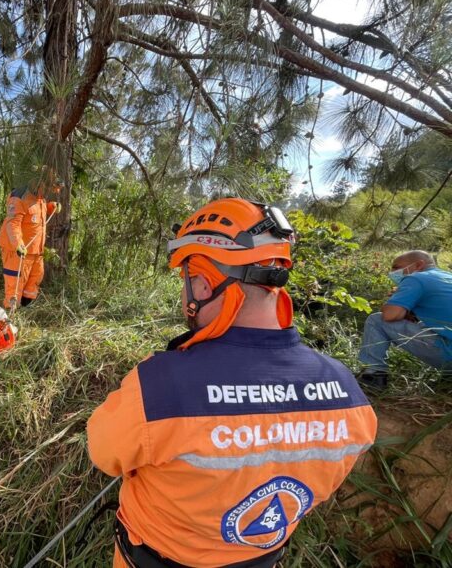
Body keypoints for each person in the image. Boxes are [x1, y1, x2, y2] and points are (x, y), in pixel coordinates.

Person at [87, 198, 377, 568]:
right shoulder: (346, 388)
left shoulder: (161, 385)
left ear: (205, 285)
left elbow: (103, 453)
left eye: (186, 282)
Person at [357, 250, 452, 389]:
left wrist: (394, 300)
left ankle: (373, 375)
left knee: (376, 320)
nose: (392, 272)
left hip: (448, 354)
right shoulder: (446, 277)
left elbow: (390, 315)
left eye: (396, 267)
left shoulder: (416, 278)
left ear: (419, 265)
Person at [0, 166, 61, 309]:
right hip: (17, 251)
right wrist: (18, 244)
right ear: (37, 182)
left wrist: (51, 207)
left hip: (35, 251)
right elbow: (12, 223)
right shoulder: (19, 196)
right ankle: (10, 313)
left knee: (35, 277)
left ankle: (25, 307)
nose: (47, 192)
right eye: (47, 188)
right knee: (15, 282)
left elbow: (35, 215)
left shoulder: (40, 197)